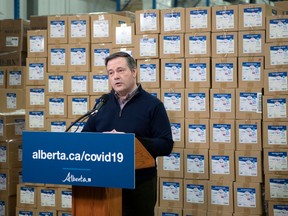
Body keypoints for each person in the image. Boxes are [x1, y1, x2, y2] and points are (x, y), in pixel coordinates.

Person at [82, 51, 174, 216]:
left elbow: (166, 144)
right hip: (104, 181)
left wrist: (131, 141)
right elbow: (85, 137)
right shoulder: (102, 104)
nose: (115, 76)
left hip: (139, 184)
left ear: (134, 72)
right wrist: (104, 140)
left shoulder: (153, 105)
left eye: (120, 70)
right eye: (111, 73)